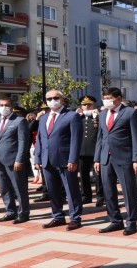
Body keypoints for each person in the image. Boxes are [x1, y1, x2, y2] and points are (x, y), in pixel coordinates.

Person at [94, 87, 137, 236]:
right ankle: (115, 220)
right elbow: (100, 138)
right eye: (105, 97)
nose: (106, 100)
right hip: (105, 158)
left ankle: (131, 222)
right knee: (108, 191)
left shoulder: (130, 113)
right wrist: (97, 158)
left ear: (119, 98)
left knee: (128, 191)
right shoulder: (102, 114)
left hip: (124, 157)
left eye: (109, 98)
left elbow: (136, 137)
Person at [34, 90, 83, 231]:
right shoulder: (43, 118)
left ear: (62, 99)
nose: (52, 100)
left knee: (71, 190)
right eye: (49, 98)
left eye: (55, 98)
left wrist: (73, 159)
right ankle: (58, 216)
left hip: (65, 160)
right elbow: (40, 140)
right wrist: (37, 157)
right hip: (47, 160)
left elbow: (75, 140)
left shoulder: (72, 116)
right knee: (52, 190)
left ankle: (75, 218)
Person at [0, 98, 30, 224]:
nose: (4, 107)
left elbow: (23, 142)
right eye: (1, 105)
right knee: (4, 188)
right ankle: (10, 211)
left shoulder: (19, 121)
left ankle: (23, 212)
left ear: (12, 107)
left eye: (6, 105)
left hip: (13, 161)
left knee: (19, 188)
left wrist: (19, 160)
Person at [76, 95, 105, 207]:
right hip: (82, 151)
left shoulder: (99, 117)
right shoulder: (78, 117)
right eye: (84, 104)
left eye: (89, 104)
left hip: (96, 151)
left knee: (98, 175)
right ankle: (86, 196)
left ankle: (100, 196)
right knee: (83, 175)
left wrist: (98, 116)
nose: (87, 106)